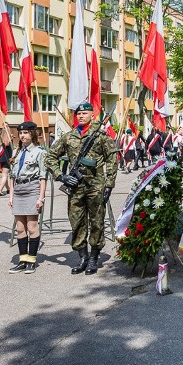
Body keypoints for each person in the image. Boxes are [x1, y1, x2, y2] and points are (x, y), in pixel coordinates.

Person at [46, 102, 118, 275]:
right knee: (76, 222)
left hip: (95, 185)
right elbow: (50, 157)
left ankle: (94, 257)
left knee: (96, 221)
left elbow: (112, 160)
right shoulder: (68, 137)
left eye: (84, 113)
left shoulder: (100, 136)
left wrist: (109, 184)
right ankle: (82, 256)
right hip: (75, 186)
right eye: (78, 113)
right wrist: (61, 176)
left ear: (92, 116)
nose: (80, 116)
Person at [7, 121, 47, 274]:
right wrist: (10, 196)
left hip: (32, 190)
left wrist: (40, 198)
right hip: (18, 190)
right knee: (20, 228)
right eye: (21, 133)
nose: (22, 135)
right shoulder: (16, 151)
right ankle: (22, 260)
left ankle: (31, 260)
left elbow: (43, 177)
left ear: (32, 134)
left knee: (32, 227)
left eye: (26, 133)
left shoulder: (39, 152)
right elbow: (12, 176)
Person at [0, 128, 13, 196]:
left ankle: (8, 189)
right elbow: (11, 151)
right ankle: (0, 190)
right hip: (7, 159)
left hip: (0, 159)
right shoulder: (9, 141)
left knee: (4, 175)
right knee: (5, 175)